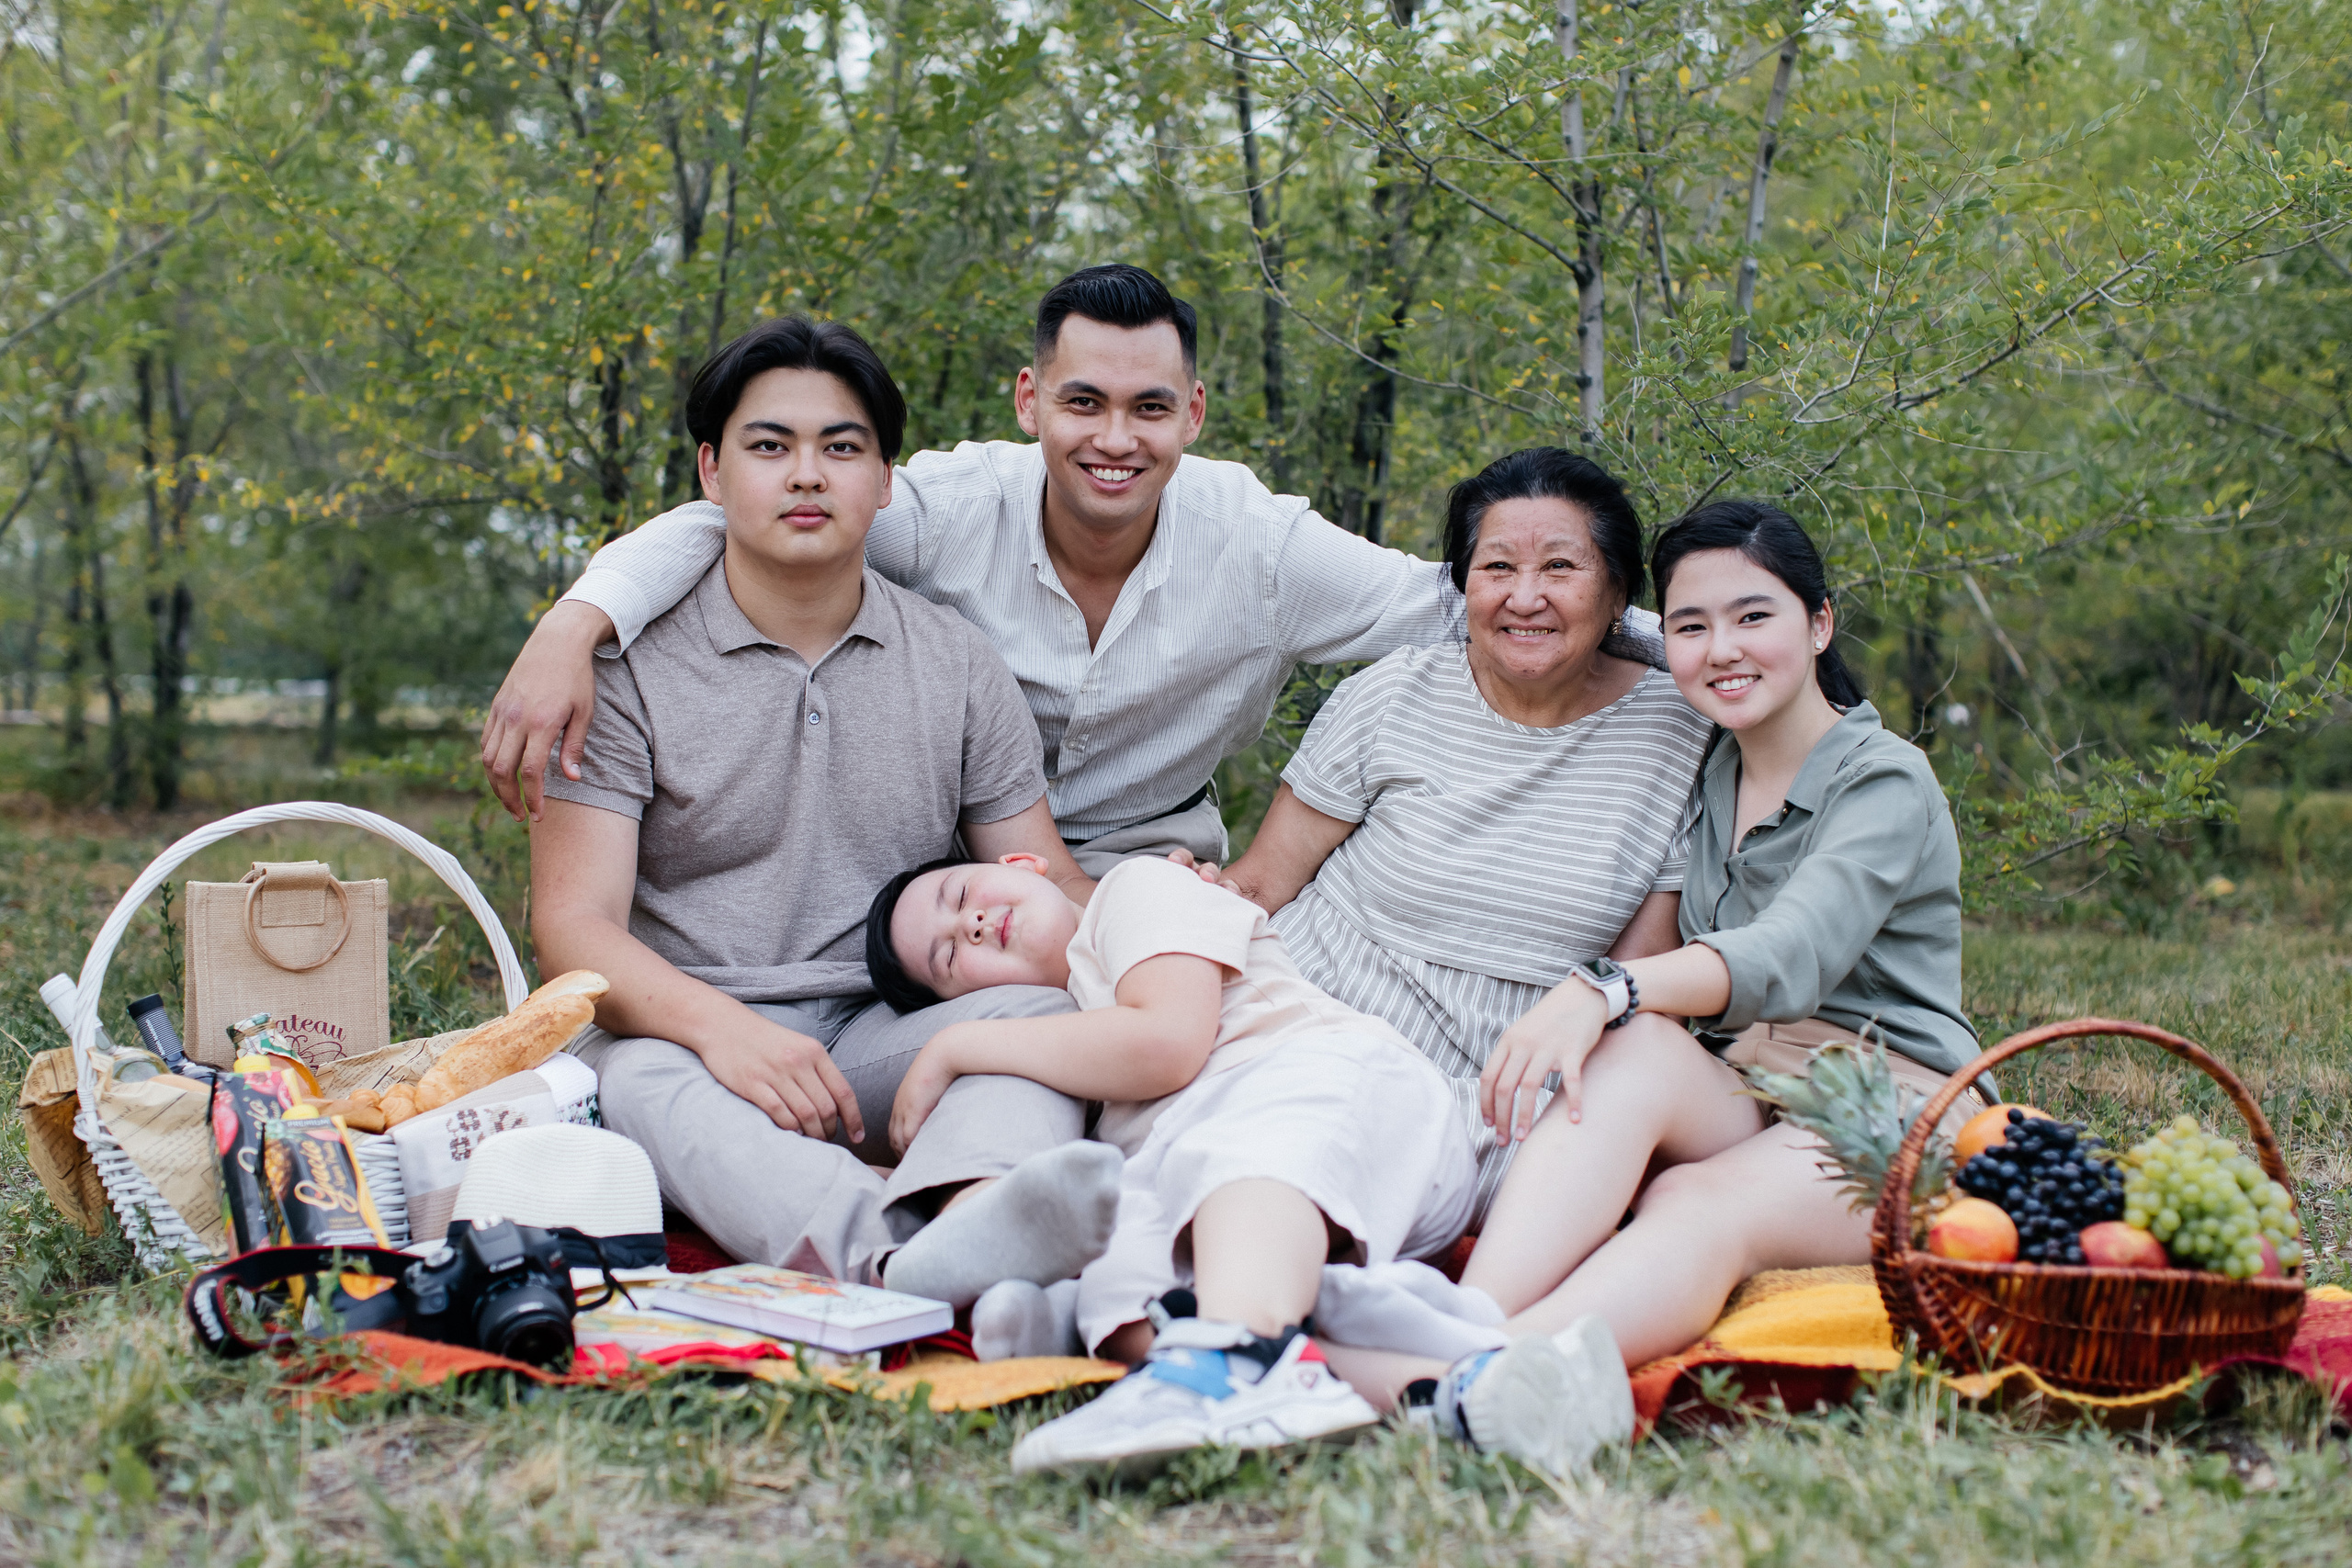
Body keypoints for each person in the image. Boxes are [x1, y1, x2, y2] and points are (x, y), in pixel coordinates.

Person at [477, 264, 1664, 873]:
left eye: (1151, 407)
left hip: (1152, 867)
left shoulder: (1262, 544)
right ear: (1030, 398)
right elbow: (754, 510)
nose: (1116, 437)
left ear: (1193, 413)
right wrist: (575, 620)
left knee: (1161, 1038)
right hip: (950, 869)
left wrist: (1705, 649)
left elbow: (1471, 603)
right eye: (1084, 400)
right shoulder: (949, 506)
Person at [1315, 500, 1985, 1478]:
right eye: (1691, 624)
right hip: (1753, 1093)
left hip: (1890, 1114)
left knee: (1695, 1197)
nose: (1722, 649)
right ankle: (1476, 1316)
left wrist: (1602, 986)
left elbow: (1787, 955)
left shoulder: (1883, 781)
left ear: (1820, 623)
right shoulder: (1711, 764)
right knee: (1631, 1053)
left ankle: (1475, 1373)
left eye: (1754, 616)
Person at [529, 315, 1120, 1304]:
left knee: (1045, 1016)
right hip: (685, 1032)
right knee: (627, 1085)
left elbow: (1044, 878)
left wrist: (1177, 925)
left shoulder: (956, 661)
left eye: (840, 449)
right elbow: (573, 928)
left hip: (878, 1032)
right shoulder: (619, 670)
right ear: (713, 475)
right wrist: (725, 1031)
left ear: (884, 483)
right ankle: (894, 1256)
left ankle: (985, 1207)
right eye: (771, 447)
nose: (807, 475)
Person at [1205, 448, 1716, 1221]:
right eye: (1497, 566)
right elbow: (1263, 882)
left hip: (1497, 1086)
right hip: (1305, 1014)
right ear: (1462, 585)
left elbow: (1640, 989)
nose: (1525, 597)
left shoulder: (1681, 735)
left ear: (1618, 592)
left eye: (1560, 568)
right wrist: (1194, 898)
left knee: (1322, 1162)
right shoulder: (1395, 690)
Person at [868, 851, 1476, 1474]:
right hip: (1245, 1193)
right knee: (1118, 1278)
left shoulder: (1133, 890)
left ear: (1025, 862)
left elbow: (1167, 1041)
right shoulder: (1062, 1045)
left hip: (1338, 1092)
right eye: (948, 957)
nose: (969, 922)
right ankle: (1441, 1385)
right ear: (972, 1000)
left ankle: (1235, 1354)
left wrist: (955, 1047)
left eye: (961, 891)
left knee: (1236, 1153)